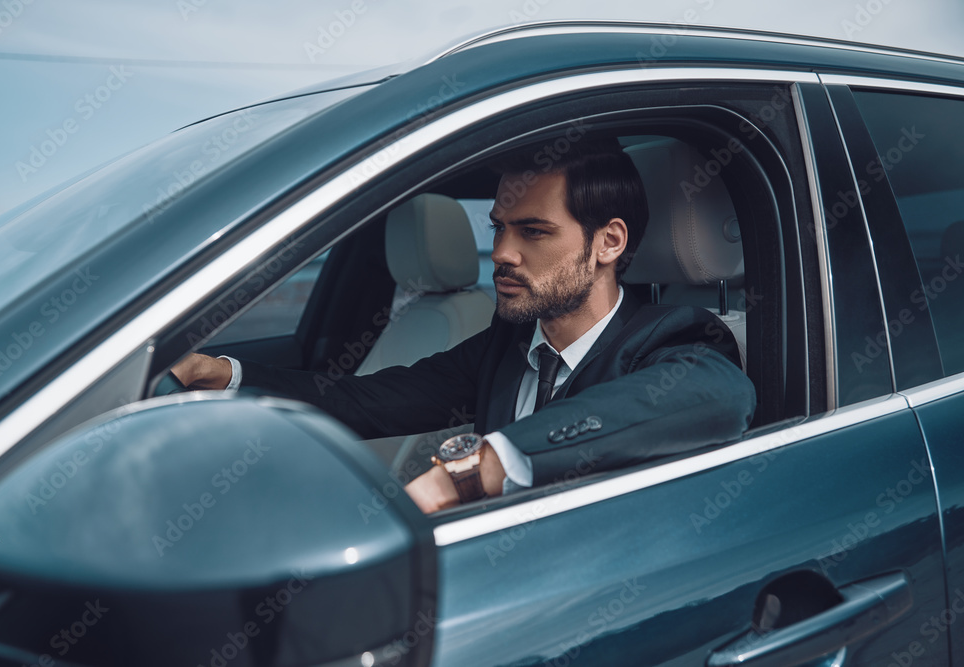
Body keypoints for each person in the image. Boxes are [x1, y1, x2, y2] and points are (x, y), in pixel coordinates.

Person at [172, 140, 757, 514]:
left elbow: (718, 395)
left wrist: (477, 471)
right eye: (498, 227)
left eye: (532, 232)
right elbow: (366, 400)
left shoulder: (675, 338)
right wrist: (226, 375)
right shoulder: (509, 346)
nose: (501, 252)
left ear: (609, 242)